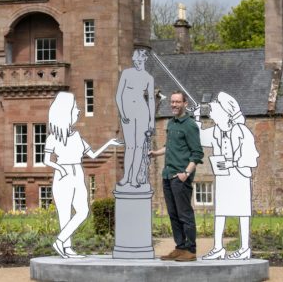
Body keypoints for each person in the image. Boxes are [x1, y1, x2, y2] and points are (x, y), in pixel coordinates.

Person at [43, 92, 123, 259]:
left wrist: (109, 144)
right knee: (64, 214)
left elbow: (92, 155)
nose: (78, 111)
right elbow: (46, 160)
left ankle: (60, 241)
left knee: (83, 211)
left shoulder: (77, 136)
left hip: (77, 173)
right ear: (65, 112)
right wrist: (61, 168)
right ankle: (67, 247)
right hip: (63, 175)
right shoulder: (53, 137)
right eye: (75, 108)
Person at [195, 92, 259, 260]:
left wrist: (232, 163)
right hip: (223, 178)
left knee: (243, 212)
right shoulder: (216, 131)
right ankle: (218, 247)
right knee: (220, 212)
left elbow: (251, 156)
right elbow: (199, 137)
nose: (212, 113)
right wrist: (196, 119)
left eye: (215, 109)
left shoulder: (241, 131)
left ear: (226, 112)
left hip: (239, 176)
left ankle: (244, 248)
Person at [150, 91, 203, 262]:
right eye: (172, 102)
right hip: (167, 175)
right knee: (173, 214)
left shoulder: (190, 125)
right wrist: (155, 153)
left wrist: (186, 173)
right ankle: (180, 247)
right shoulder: (171, 124)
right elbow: (170, 146)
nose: (174, 105)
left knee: (184, 214)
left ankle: (191, 249)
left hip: (180, 177)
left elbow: (197, 153)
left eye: (177, 102)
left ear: (185, 104)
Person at [115, 49, 156, 188]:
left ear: (144, 60)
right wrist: (122, 113)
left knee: (139, 146)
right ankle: (126, 176)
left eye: (139, 60)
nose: (137, 63)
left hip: (142, 112)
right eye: (135, 60)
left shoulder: (149, 78)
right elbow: (118, 95)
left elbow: (151, 99)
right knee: (130, 146)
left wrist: (152, 120)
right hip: (128, 113)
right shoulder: (126, 73)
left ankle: (134, 178)